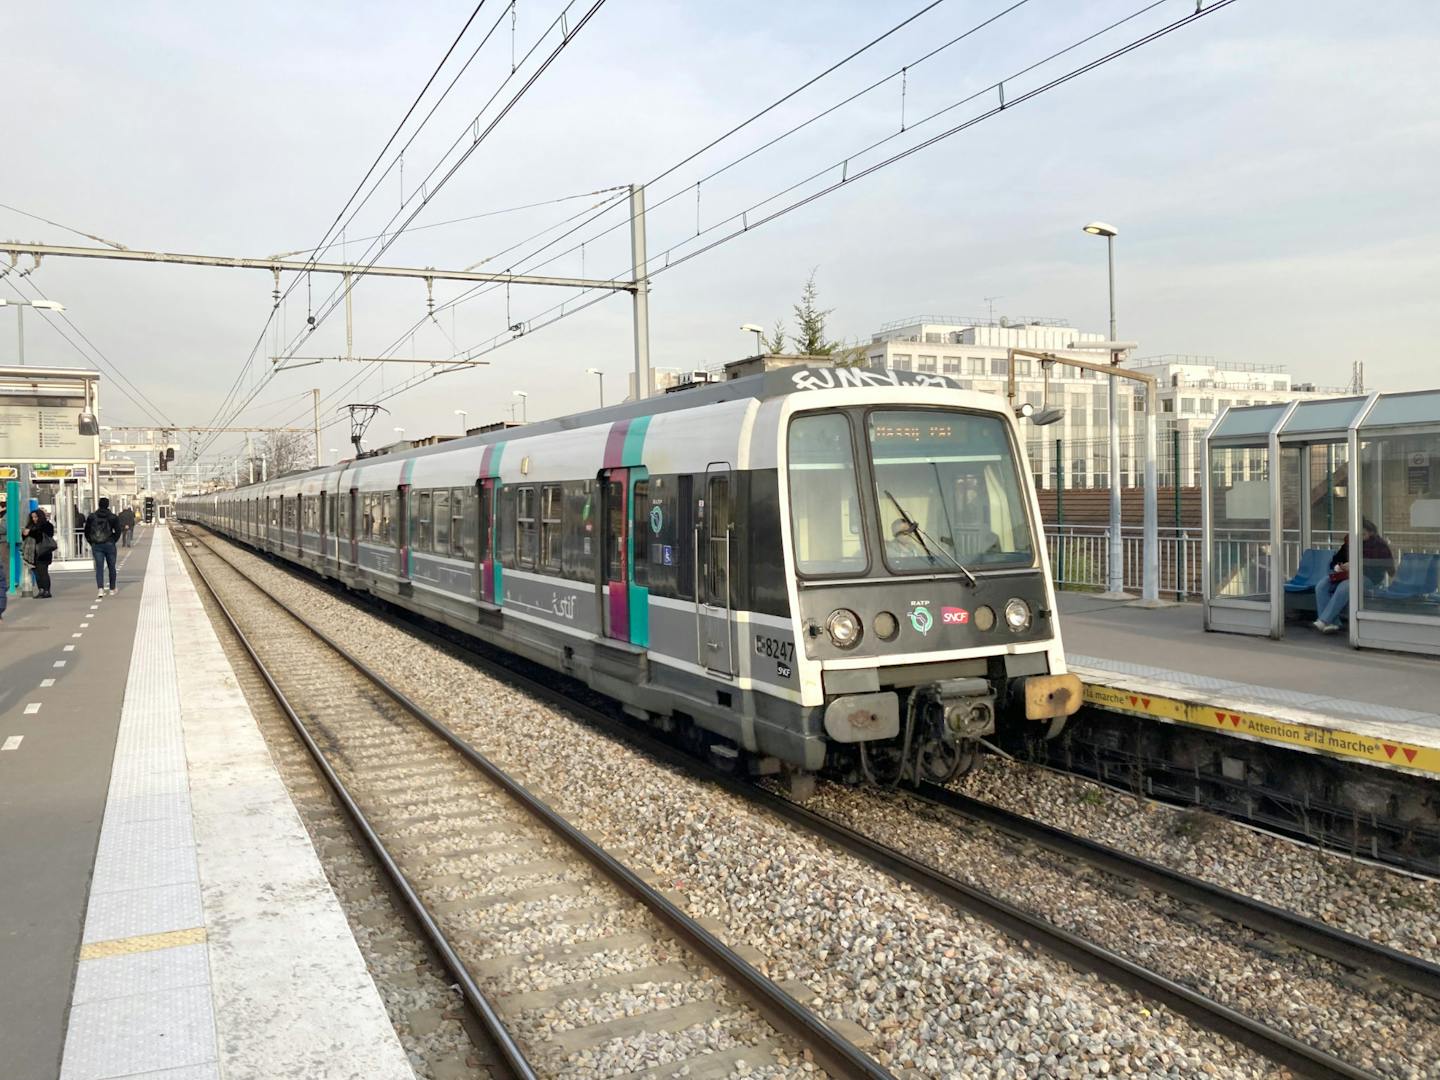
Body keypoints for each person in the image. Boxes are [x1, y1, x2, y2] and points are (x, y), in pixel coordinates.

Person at [1314, 518, 1396, 633]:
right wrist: (1338, 566)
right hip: (1346, 575)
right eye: (1359, 534)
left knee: (1345, 586)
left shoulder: (1379, 545)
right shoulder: (1351, 542)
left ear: (1371, 533)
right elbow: (1336, 559)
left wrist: (1356, 565)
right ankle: (1333, 622)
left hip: (1368, 578)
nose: (1361, 537)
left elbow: (1385, 566)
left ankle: (1324, 620)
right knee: (1322, 585)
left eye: (1364, 534)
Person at [84, 497, 123, 597]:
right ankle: (112, 588)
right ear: (108, 505)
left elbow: (87, 531)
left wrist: (91, 542)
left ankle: (100, 589)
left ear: (98, 504)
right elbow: (118, 531)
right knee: (112, 567)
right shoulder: (113, 517)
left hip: (97, 545)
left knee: (99, 567)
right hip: (109, 544)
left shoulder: (92, 517)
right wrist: (113, 540)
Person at [22, 508, 57, 598]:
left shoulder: (47, 525)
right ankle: (41, 589)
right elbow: (25, 538)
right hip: (32, 553)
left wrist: (30, 532)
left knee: (43, 572)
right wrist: (25, 533)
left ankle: (46, 590)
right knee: (36, 573)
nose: (34, 519)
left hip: (43, 552)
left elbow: (41, 536)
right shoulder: (30, 526)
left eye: (36, 517)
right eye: (32, 517)